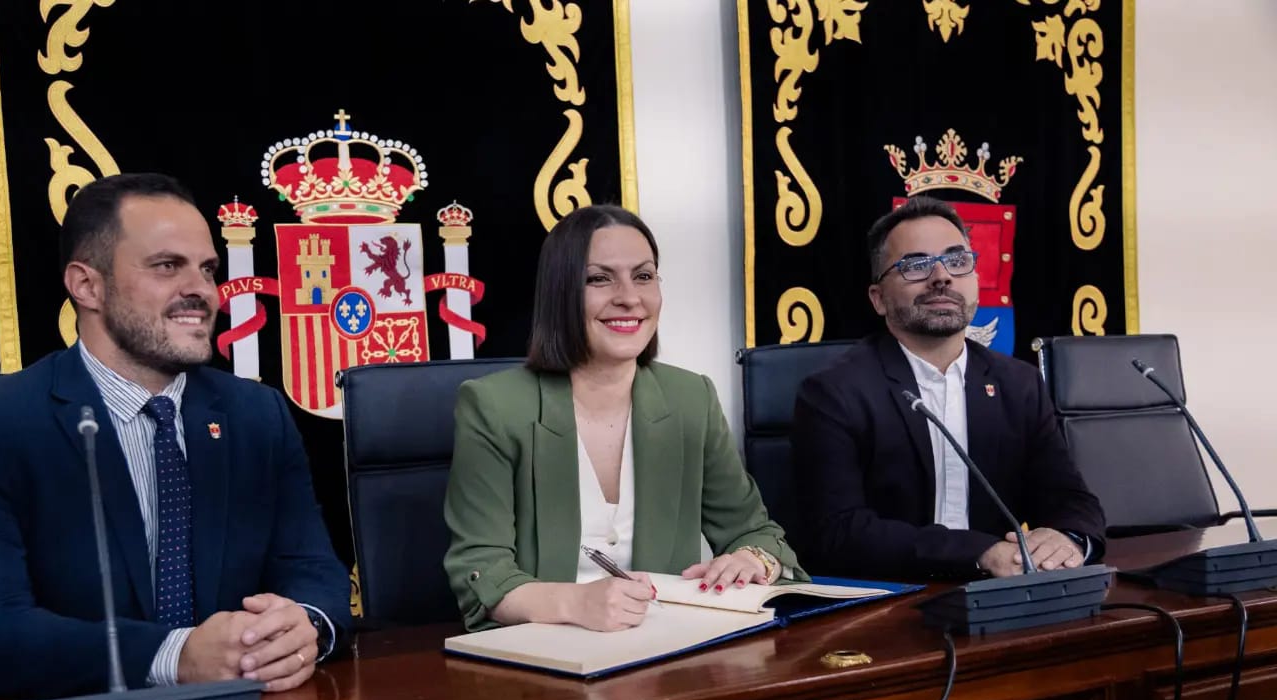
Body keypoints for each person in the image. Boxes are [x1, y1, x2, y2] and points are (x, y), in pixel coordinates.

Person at [0, 173, 351, 699]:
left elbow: (313, 571)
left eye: (207, 269)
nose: (201, 290)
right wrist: (172, 656)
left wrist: (302, 628)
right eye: (167, 266)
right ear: (87, 286)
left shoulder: (256, 414)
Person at [444, 204, 802, 631]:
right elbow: (482, 572)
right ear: (560, 292)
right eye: (599, 278)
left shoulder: (691, 398)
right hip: (543, 662)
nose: (629, 297)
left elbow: (758, 534)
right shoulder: (494, 406)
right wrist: (575, 603)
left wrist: (749, 559)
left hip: (665, 656)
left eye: (644, 276)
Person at [790, 195, 1106, 582]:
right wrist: (979, 553)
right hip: (887, 600)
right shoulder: (834, 391)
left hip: (1002, 594)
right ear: (878, 299)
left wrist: (1066, 539)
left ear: (974, 281)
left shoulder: (1018, 383)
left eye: (957, 261)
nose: (942, 276)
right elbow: (837, 533)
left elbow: (1071, 499)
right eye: (917, 265)